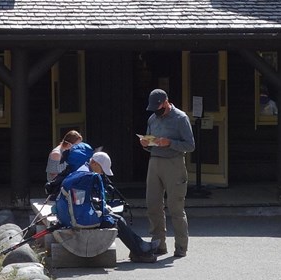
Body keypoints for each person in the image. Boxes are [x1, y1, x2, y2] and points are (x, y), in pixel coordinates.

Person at [58, 151, 160, 262]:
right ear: (94, 163)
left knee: (117, 218)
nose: (102, 173)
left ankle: (139, 249)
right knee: (117, 221)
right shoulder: (87, 177)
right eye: (102, 169)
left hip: (70, 216)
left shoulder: (81, 171)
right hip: (78, 219)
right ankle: (140, 251)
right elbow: (83, 204)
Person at [139, 88, 194, 258]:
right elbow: (150, 140)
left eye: (159, 107)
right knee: (153, 205)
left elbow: (190, 145)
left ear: (166, 102)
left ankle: (181, 247)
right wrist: (145, 144)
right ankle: (159, 245)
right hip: (155, 161)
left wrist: (169, 142)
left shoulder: (180, 118)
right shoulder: (152, 118)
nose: (156, 111)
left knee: (175, 207)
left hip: (174, 163)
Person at [45, 130, 94, 197]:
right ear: (69, 144)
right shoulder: (56, 154)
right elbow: (53, 175)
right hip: (57, 189)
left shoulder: (69, 153)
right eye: (76, 145)